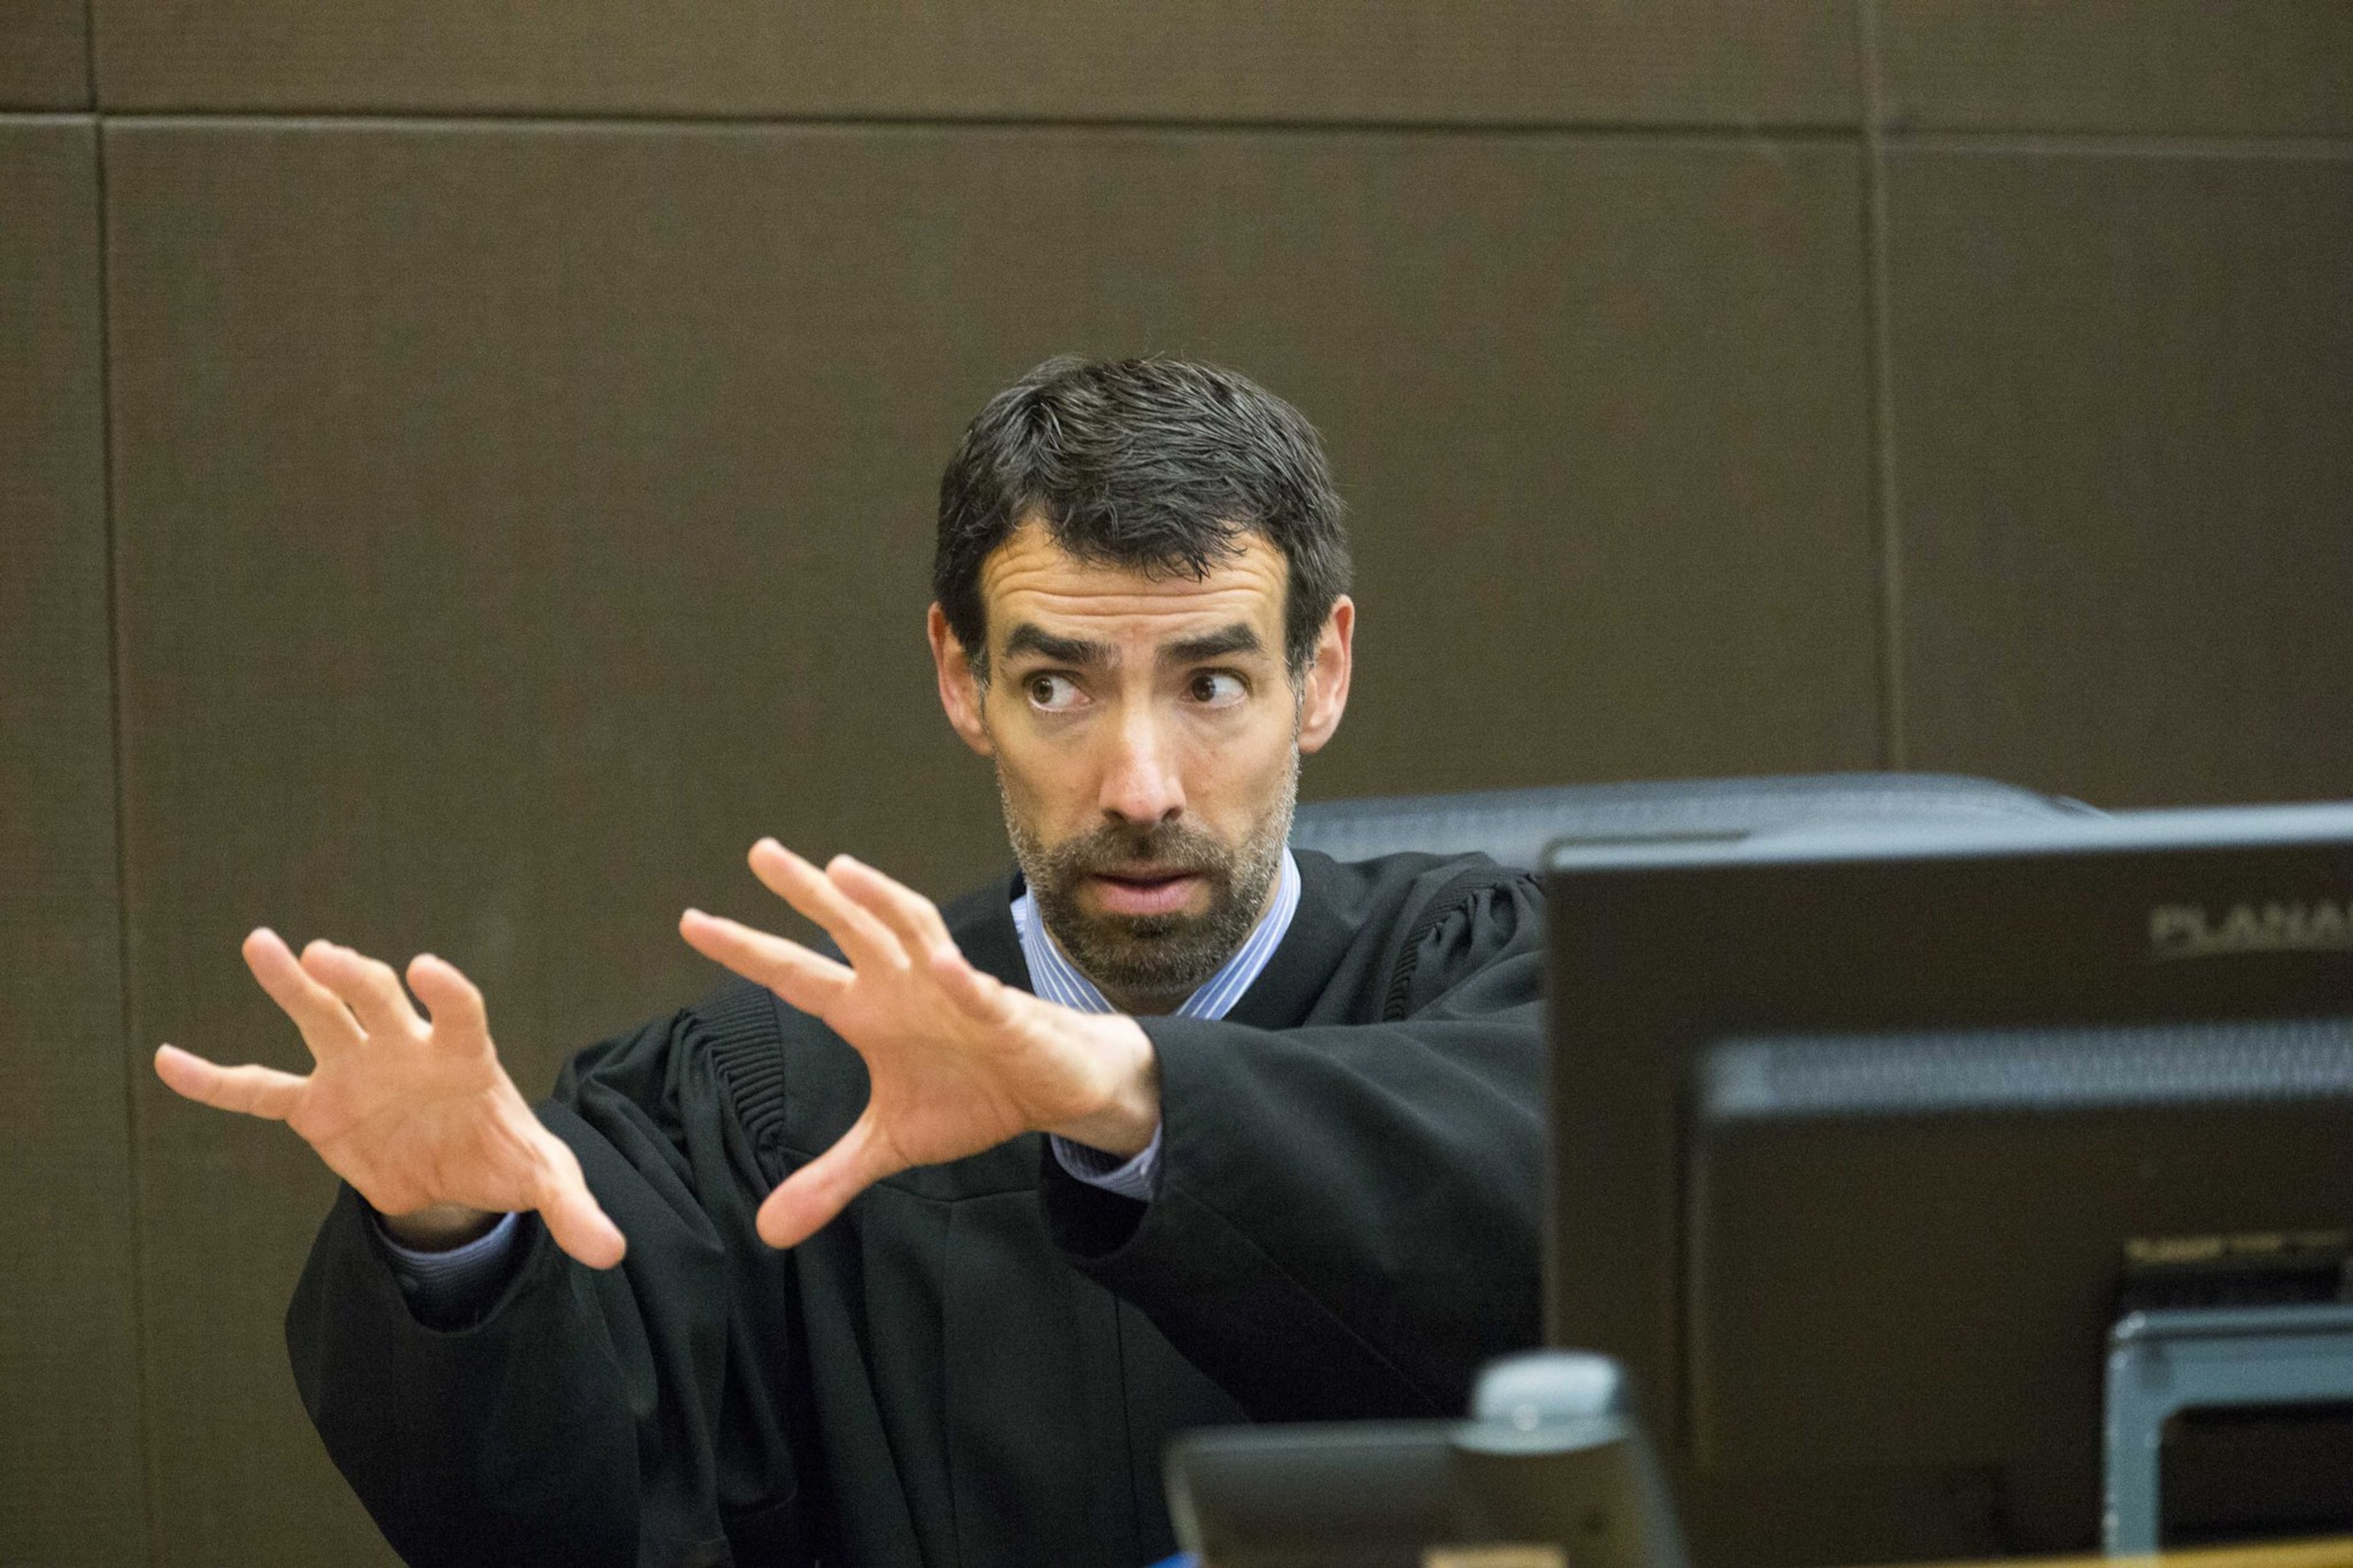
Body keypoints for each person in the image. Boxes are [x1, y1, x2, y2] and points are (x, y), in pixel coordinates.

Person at [155, 357, 1545, 1568]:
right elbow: (573, 1510)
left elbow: (1564, 1246)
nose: (1139, 782)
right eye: (1057, 683)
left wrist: (1138, 1095)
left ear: (1323, 674)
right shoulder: (787, 1099)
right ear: (962, 677)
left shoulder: (1481, 989)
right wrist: (450, 1242)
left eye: (1212, 682)